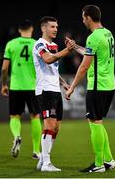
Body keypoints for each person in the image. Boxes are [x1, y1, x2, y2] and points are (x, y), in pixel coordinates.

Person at [65, 5, 115, 173]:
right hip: (109, 84)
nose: (82, 20)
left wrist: (71, 87)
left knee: (94, 122)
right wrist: (75, 47)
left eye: (83, 17)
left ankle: (99, 163)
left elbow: (85, 66)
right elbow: (92, 53)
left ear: (88, 17)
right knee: (98, 122)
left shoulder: (93, 37)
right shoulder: (107, 33)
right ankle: (108, 160)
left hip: (97, 86)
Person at [32, 16, 75, 172]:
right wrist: (67, 50)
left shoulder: (55, 45)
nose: (55, 29)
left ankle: (42, 159)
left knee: (56, 128)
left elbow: (53, 69)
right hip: (44, 90)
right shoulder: (39, 44)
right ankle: (46, 164)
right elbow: (48, 59)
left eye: (56, 26)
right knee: (49, 124)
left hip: (55, 90)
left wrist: (63, 84)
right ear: (44, 28)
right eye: (52, 26)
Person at [1, 20, 42, 159]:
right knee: (35, 116)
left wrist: (4, 85)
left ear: (19, 30)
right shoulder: (37, 44)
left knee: (14, 116)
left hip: (16, 86)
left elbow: (4, 68)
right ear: (31, 29)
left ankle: (17, 136)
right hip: (32, 86)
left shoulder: (11, 44)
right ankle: (36, 151)